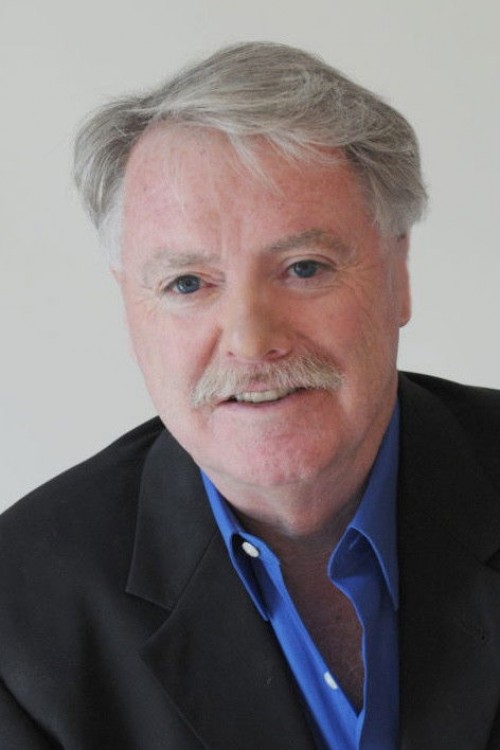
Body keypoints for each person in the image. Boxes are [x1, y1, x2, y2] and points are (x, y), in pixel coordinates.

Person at [1, 41, 500, 750]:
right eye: (186, 283)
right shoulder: (20, 616)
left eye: (304, 268)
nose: (251, 340)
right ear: (129, 308)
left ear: (400, 273)